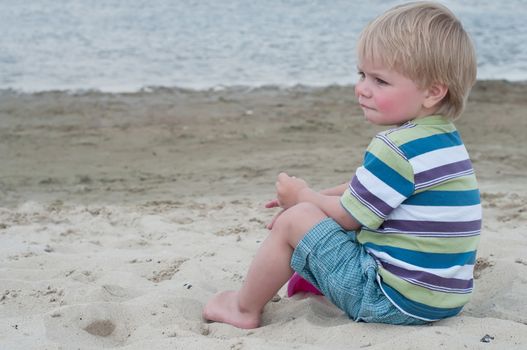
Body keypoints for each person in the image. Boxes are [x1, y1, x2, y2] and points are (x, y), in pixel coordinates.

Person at [203, 1, 481, 329]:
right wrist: (317, 196)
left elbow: (350, 217)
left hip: (390, 301)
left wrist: (303, 198)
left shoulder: (394, 147)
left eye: (380, 81)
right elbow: (366, 191)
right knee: (315, 212)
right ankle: (312, 277)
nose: (362, 88)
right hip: (443, 301)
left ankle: (242, 308)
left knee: (297, 219)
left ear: (432, 92)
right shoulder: (443, 139)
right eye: (362, 74)